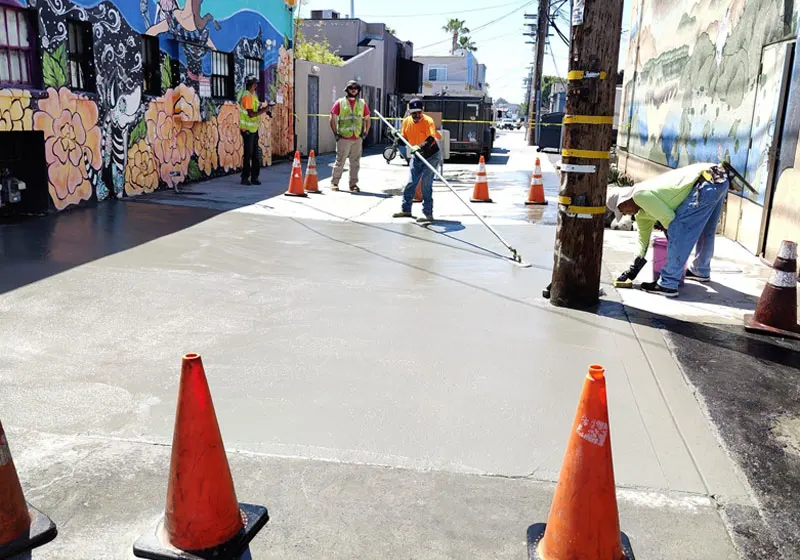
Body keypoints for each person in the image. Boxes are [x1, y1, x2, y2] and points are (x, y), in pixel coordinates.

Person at [607, 162, 731, 297]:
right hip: (719, 179)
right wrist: (635, 265)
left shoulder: (639, 195)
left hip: (705, 184)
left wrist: (671, 234)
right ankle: (700, 269)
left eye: (622, 211)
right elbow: (642, 239)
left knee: (679, 228)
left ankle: (667, 283)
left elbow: (672, 222)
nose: (625, 214)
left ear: (623, 202)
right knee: (706, 230)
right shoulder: (641, 213)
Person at [392, 98, 442, 224]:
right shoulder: (407, 121)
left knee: (426, 183)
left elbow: (431, 138)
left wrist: (419, 147)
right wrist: (397, 138)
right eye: (414, 113)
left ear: (422, 110)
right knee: (411, 182)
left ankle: (428, 213)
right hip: (417, 156)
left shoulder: (428, 121)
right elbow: (404, 137)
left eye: (419, 112)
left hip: (431, 155)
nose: (417, 115)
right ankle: (406, 209)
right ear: (410, 112)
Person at [330, 80, 370, 192]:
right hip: (343, 138)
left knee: (355, 163)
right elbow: (332, 118)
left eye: (356, 88)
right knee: (340, 161)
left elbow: (367, 119)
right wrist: (336, 134)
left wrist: (365, 132)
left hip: (357, 138)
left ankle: (353, 185)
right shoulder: (340, 102)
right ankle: (334, 183)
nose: (354, 90)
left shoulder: (362, 104)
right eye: (351, 88)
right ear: (347, 89)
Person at [239, 75, 273, 185]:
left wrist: (266, 110)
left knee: (255, 154)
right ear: (252, 85)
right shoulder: (247, 96)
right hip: (247, 129)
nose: (257, 85)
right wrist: (265, 109)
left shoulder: (253, 95)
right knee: (248, 154)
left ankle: (254, 177)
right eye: (256, 84)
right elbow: (251, 114)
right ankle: (245, 178)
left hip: (253, 128)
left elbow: (256, 109)